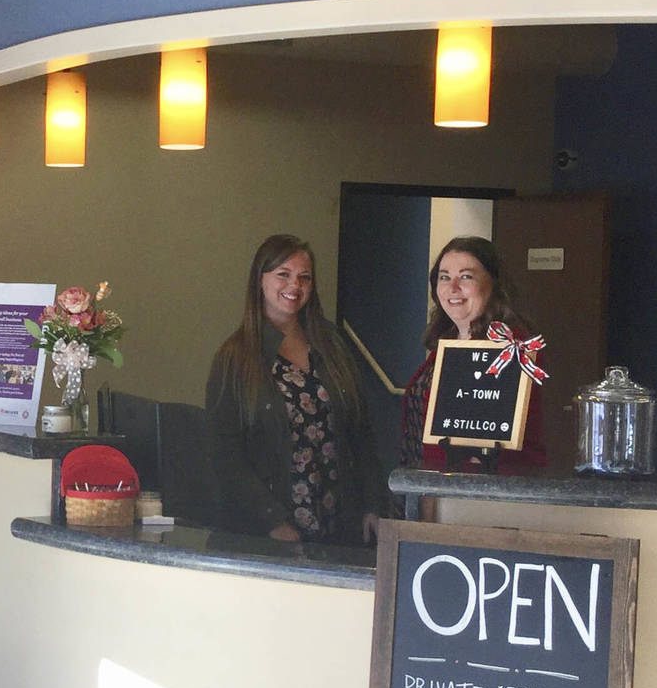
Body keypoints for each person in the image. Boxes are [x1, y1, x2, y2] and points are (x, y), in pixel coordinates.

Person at [205, 233, 391, 545]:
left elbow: (361, 434)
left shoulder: (331, 344)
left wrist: (373, 504)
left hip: (339, 523)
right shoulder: (235, 358)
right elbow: (224, 454)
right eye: (283, 275)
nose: (295, 286)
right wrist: (272, 521)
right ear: (260, 280)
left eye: (304, 277)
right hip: (270, 529)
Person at [400, 235, 547, 472]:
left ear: (494, 284)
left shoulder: (511, 346)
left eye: (466, 277)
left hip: (472, 494)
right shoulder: (446, 343)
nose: (453, 288)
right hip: (427, 485)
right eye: (444, 277)